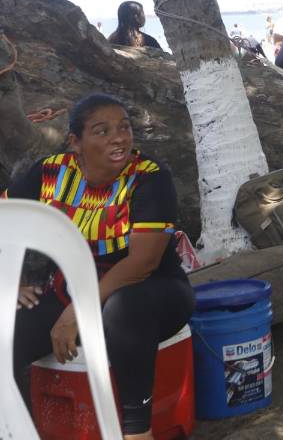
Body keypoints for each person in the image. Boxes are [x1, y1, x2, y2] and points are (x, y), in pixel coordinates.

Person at [6, 94, 195, 439]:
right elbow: (7, 220)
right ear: (75, 142)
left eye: (124, 127)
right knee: (7, 330)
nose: (119, 138)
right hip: (70, 291)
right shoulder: (49, 173)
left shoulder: (150, 177)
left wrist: (79, 311)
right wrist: (10, 283)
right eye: (102, 131)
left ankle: (137, 431)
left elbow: (143, 263)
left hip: (153, 292)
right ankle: (16, 427)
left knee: (123, 309)